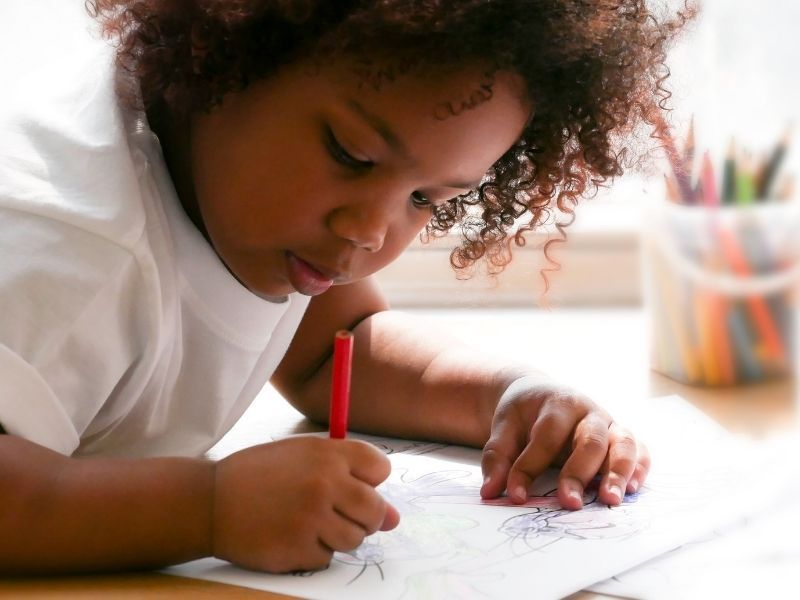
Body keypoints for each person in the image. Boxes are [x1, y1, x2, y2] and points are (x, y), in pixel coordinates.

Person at [0, 0, 691, 575]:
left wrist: (506, 396)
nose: (369, 230)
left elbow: (336, 351)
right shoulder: (71, 246)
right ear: (219, 53)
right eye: (350, 155)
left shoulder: (253, 208)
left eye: (428, 198)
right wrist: (207, 507)